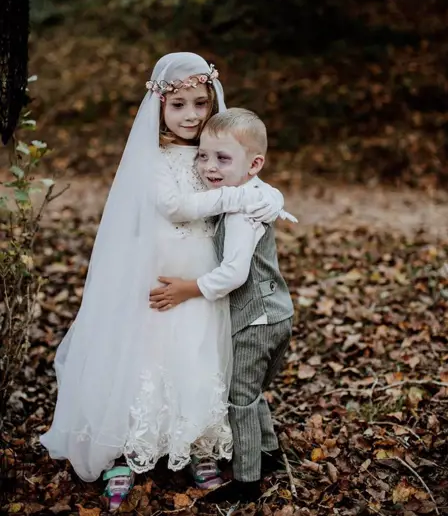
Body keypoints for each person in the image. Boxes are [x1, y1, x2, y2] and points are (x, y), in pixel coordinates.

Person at [40, 53, 289, 512]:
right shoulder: (151, 159)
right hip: (153, 273)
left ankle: (194, 444)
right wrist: (236, 196)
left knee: (197, 353)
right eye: (179, 105)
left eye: (200, 102)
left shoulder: (211, 150)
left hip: (201, 275)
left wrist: (266, 195)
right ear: (158, 106)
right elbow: (175, 206)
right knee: (145, 352)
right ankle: (121, 452)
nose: (191, 114)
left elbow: (250, 174)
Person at [150, 108, 295, 504]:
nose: (210, 167)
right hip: (276, 312)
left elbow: (233, 274)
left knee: (240, 396)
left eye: (222, 159)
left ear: (254, 164)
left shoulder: (240, 212)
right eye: (203, 156)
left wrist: (188, 288)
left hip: (257, 318)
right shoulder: (252, 191)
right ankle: (269, 453)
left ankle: (247, 481)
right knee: (254, 389)